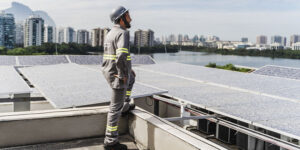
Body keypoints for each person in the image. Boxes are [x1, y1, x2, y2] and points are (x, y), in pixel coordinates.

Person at [101, 6, 136, 150]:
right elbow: (121, 55)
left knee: (132, 78)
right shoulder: (123, 33)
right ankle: (110, 141)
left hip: (109, 70)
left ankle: (126, 104)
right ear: (121, 18)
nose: (131, 18)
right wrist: (122, 74)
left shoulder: (110, 33)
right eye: (128, 16)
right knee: (115, 108)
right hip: (117, 75)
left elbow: (116, 55)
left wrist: (128, 71)